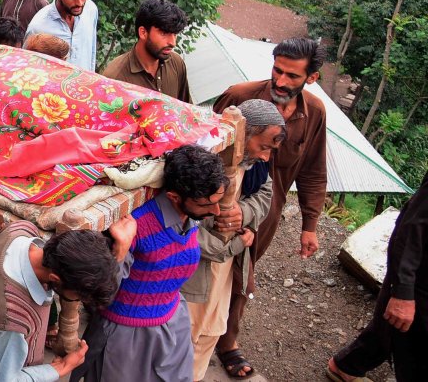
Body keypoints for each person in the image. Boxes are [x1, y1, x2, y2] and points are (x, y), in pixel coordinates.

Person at [210, 37, 329, 378]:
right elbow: (206, 146)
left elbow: (313, 171)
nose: (280, 82)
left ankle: (227, 340)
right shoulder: (240, 97)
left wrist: (310, 225)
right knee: (205, 264)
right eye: (277, 70)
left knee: (243, 274)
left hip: (267, 213)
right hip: (218, 206)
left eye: (292, 76)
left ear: (311, 78)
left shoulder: (314, 114)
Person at [71, 144, 228, 382]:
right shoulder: (134, 226)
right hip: (127, 338)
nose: (215, 211)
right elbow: (100, 292)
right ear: (174, 196)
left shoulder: (191, 214)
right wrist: (120, 250)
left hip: (173, 324)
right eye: (208, 204)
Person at [183, 99, 284, 382]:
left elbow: (266, 195)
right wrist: (238, 242)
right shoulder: (202, 161)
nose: (265, 157)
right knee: (181, 332)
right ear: (243, 134)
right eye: (263, 146)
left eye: (270, 150)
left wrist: (244, 212)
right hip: (191, 268)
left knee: (211, 330)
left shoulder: (256, 167)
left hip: (225, 271)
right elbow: (185, 226)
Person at [0, 224, 129, 382]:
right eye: (78, 297)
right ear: (55, 279)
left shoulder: (18, 231)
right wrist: (61, 368)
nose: (78, 302)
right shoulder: (12, 321)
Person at [327, 171, 427, 382]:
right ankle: (345, 367)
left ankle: (346, 367)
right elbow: (410, 229)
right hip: (420, 282)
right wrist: (403, 292)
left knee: (388, 328)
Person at [102, 0, 192, 103]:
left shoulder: (176, 63)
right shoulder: (115, 77)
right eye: (164, 33)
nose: (172, 42)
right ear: (143, 32)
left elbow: (188, 112)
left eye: (175, 34)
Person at [26, 0, 100, 71]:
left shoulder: (91, 10)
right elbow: (28, 67)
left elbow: (91, 52)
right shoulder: (38, 27)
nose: (79, 2)